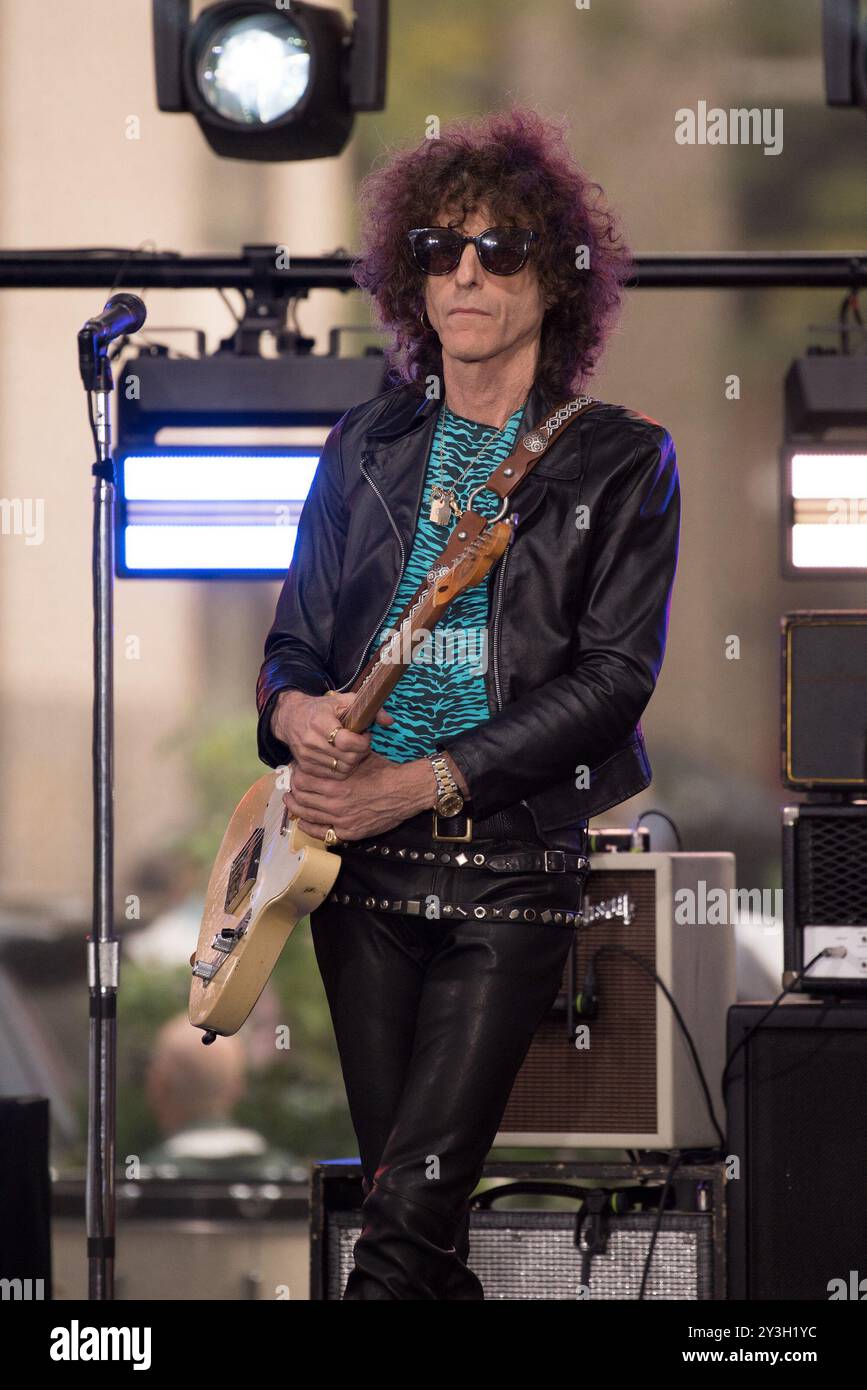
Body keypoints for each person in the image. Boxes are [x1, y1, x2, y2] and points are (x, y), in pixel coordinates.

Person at [255, 106, 681, 1299]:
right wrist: (299, 720)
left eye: (500, 249)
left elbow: (615, 680)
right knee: (416, 1231)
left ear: (557, 277)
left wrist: (422, 777)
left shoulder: (622, 460)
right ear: (410, 275)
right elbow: (288, 647)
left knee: (396, 1236)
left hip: (506, 873)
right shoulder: (362, 444)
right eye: (440, 249)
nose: (467, 274)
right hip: (359, 876)